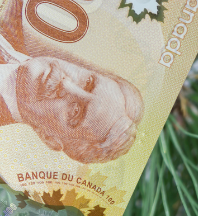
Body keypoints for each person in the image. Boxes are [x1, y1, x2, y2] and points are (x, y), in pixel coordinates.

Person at [0, 31, 143, 164]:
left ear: (49, 139)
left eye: (75, 111)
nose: (66, 85)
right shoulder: (13, 17)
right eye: (88, 82)